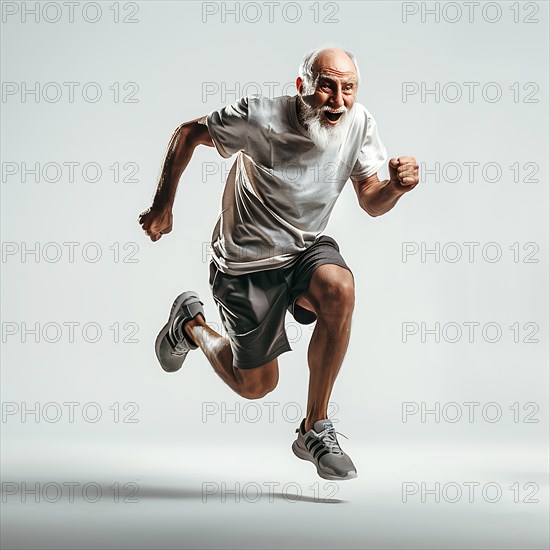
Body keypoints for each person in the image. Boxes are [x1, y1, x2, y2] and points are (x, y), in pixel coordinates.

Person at [138, 47, 419, 480]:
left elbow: (370, 200)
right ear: (302, 86)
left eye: (348, 89)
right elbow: (187, 132)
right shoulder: (261, 117)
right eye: (327, 86)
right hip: (245, 264)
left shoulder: (359, 123)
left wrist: (396, 188)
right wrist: (162, 205)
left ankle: (315, 428)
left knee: (339, 289)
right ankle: (190, 323)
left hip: (304, 249)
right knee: (256, 385)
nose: (338, 101)